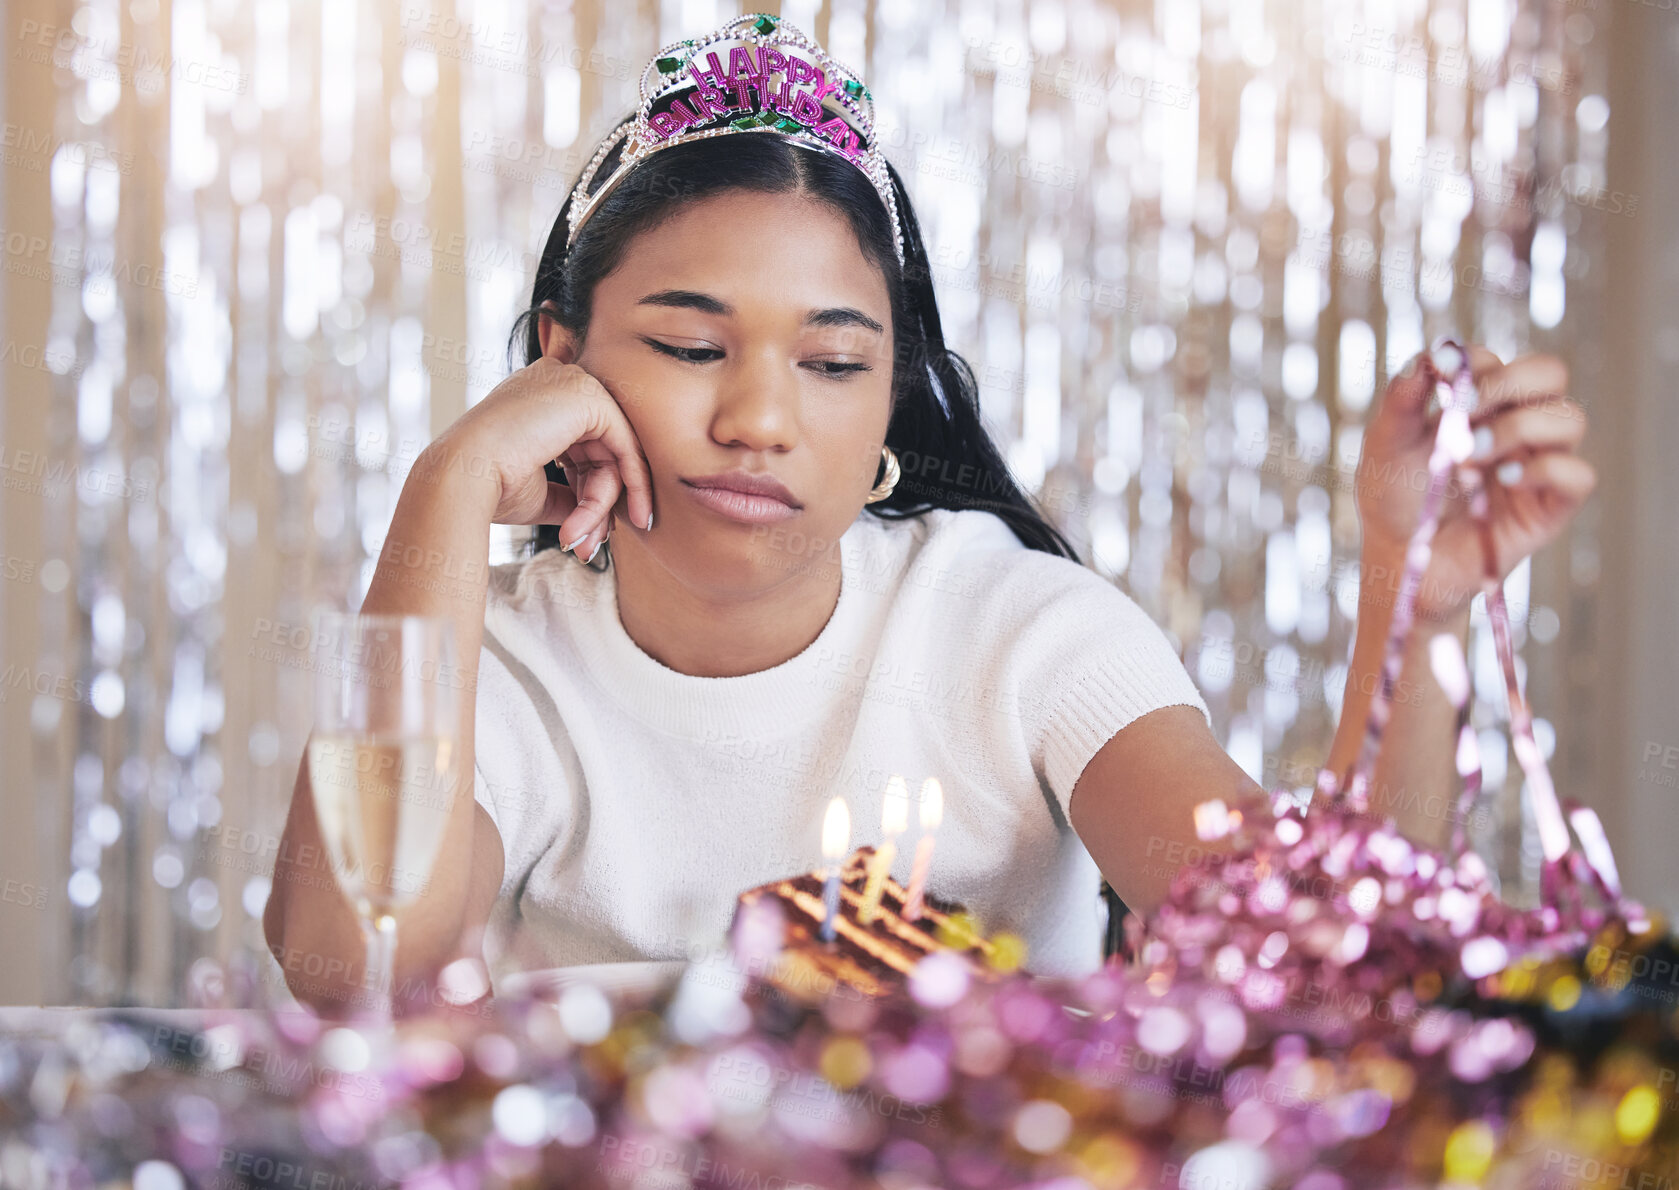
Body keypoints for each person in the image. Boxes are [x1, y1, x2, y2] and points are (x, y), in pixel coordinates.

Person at [263, 15, 1595, 1016]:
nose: (760, 420)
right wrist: (444, 490)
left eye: (832, 364)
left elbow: (1320, 961)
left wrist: (1411, 605)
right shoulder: (496, 661)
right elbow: (346, 961)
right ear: (563, 357)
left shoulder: (1017, 627)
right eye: (689, 345)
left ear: (890, 398)